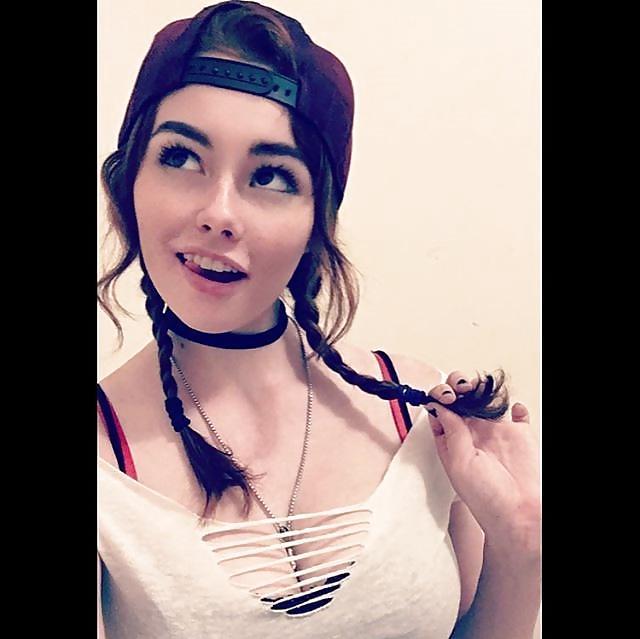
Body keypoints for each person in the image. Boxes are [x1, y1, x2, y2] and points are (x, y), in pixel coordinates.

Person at [97, 2, 541, 638]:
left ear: (316, 219)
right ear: (129, 183)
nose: (219, 213)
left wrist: (522, 542)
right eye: (182, 158)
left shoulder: (422, 415)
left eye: (272, 175)